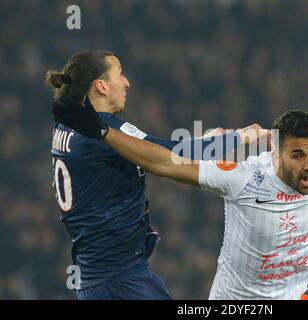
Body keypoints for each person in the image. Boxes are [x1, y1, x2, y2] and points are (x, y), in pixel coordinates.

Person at [52, 85, 308, 299]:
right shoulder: (243, 177)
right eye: (298, 155)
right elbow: (164, 163)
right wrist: (102, 131)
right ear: (276, 153)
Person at [46, 49, 266, 300]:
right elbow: (170, 157)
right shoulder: (106, 133)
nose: (127, 82)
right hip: (121, 280)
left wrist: (203, 141)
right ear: (102, 86)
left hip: (93, 278)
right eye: (119, 74)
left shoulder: (67, 125)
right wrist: (240, 137)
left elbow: (157, 150)